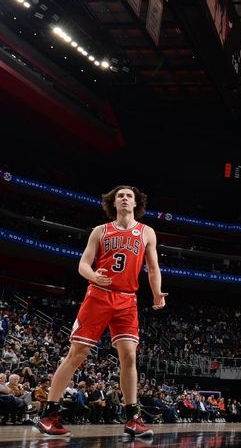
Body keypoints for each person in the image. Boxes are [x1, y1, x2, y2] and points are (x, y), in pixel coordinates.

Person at [35, 185, 168, 437]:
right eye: (121, 196)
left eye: (130, 196)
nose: (126, 199)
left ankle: (132, 418)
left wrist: (157, 292)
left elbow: (153, 268)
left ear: (136, 202)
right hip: (99, 295)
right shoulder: (100, 231)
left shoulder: (147, 232)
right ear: (113, 203)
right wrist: (94, 275)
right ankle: (48, 414)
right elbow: (83, 264)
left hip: (128, 300)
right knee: (78, 352)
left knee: (129, 356)